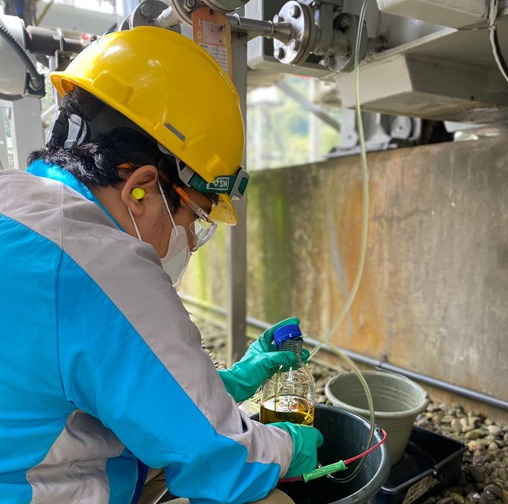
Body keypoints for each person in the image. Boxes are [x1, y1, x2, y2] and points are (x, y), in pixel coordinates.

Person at [0, 26, 323, 504]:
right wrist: (292, 444)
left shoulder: (15, 203)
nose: (190, 240)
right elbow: (225, 463)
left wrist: (231, 382)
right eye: (195, 217)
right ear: (142, 188)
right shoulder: (99, 262)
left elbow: (122, 386)